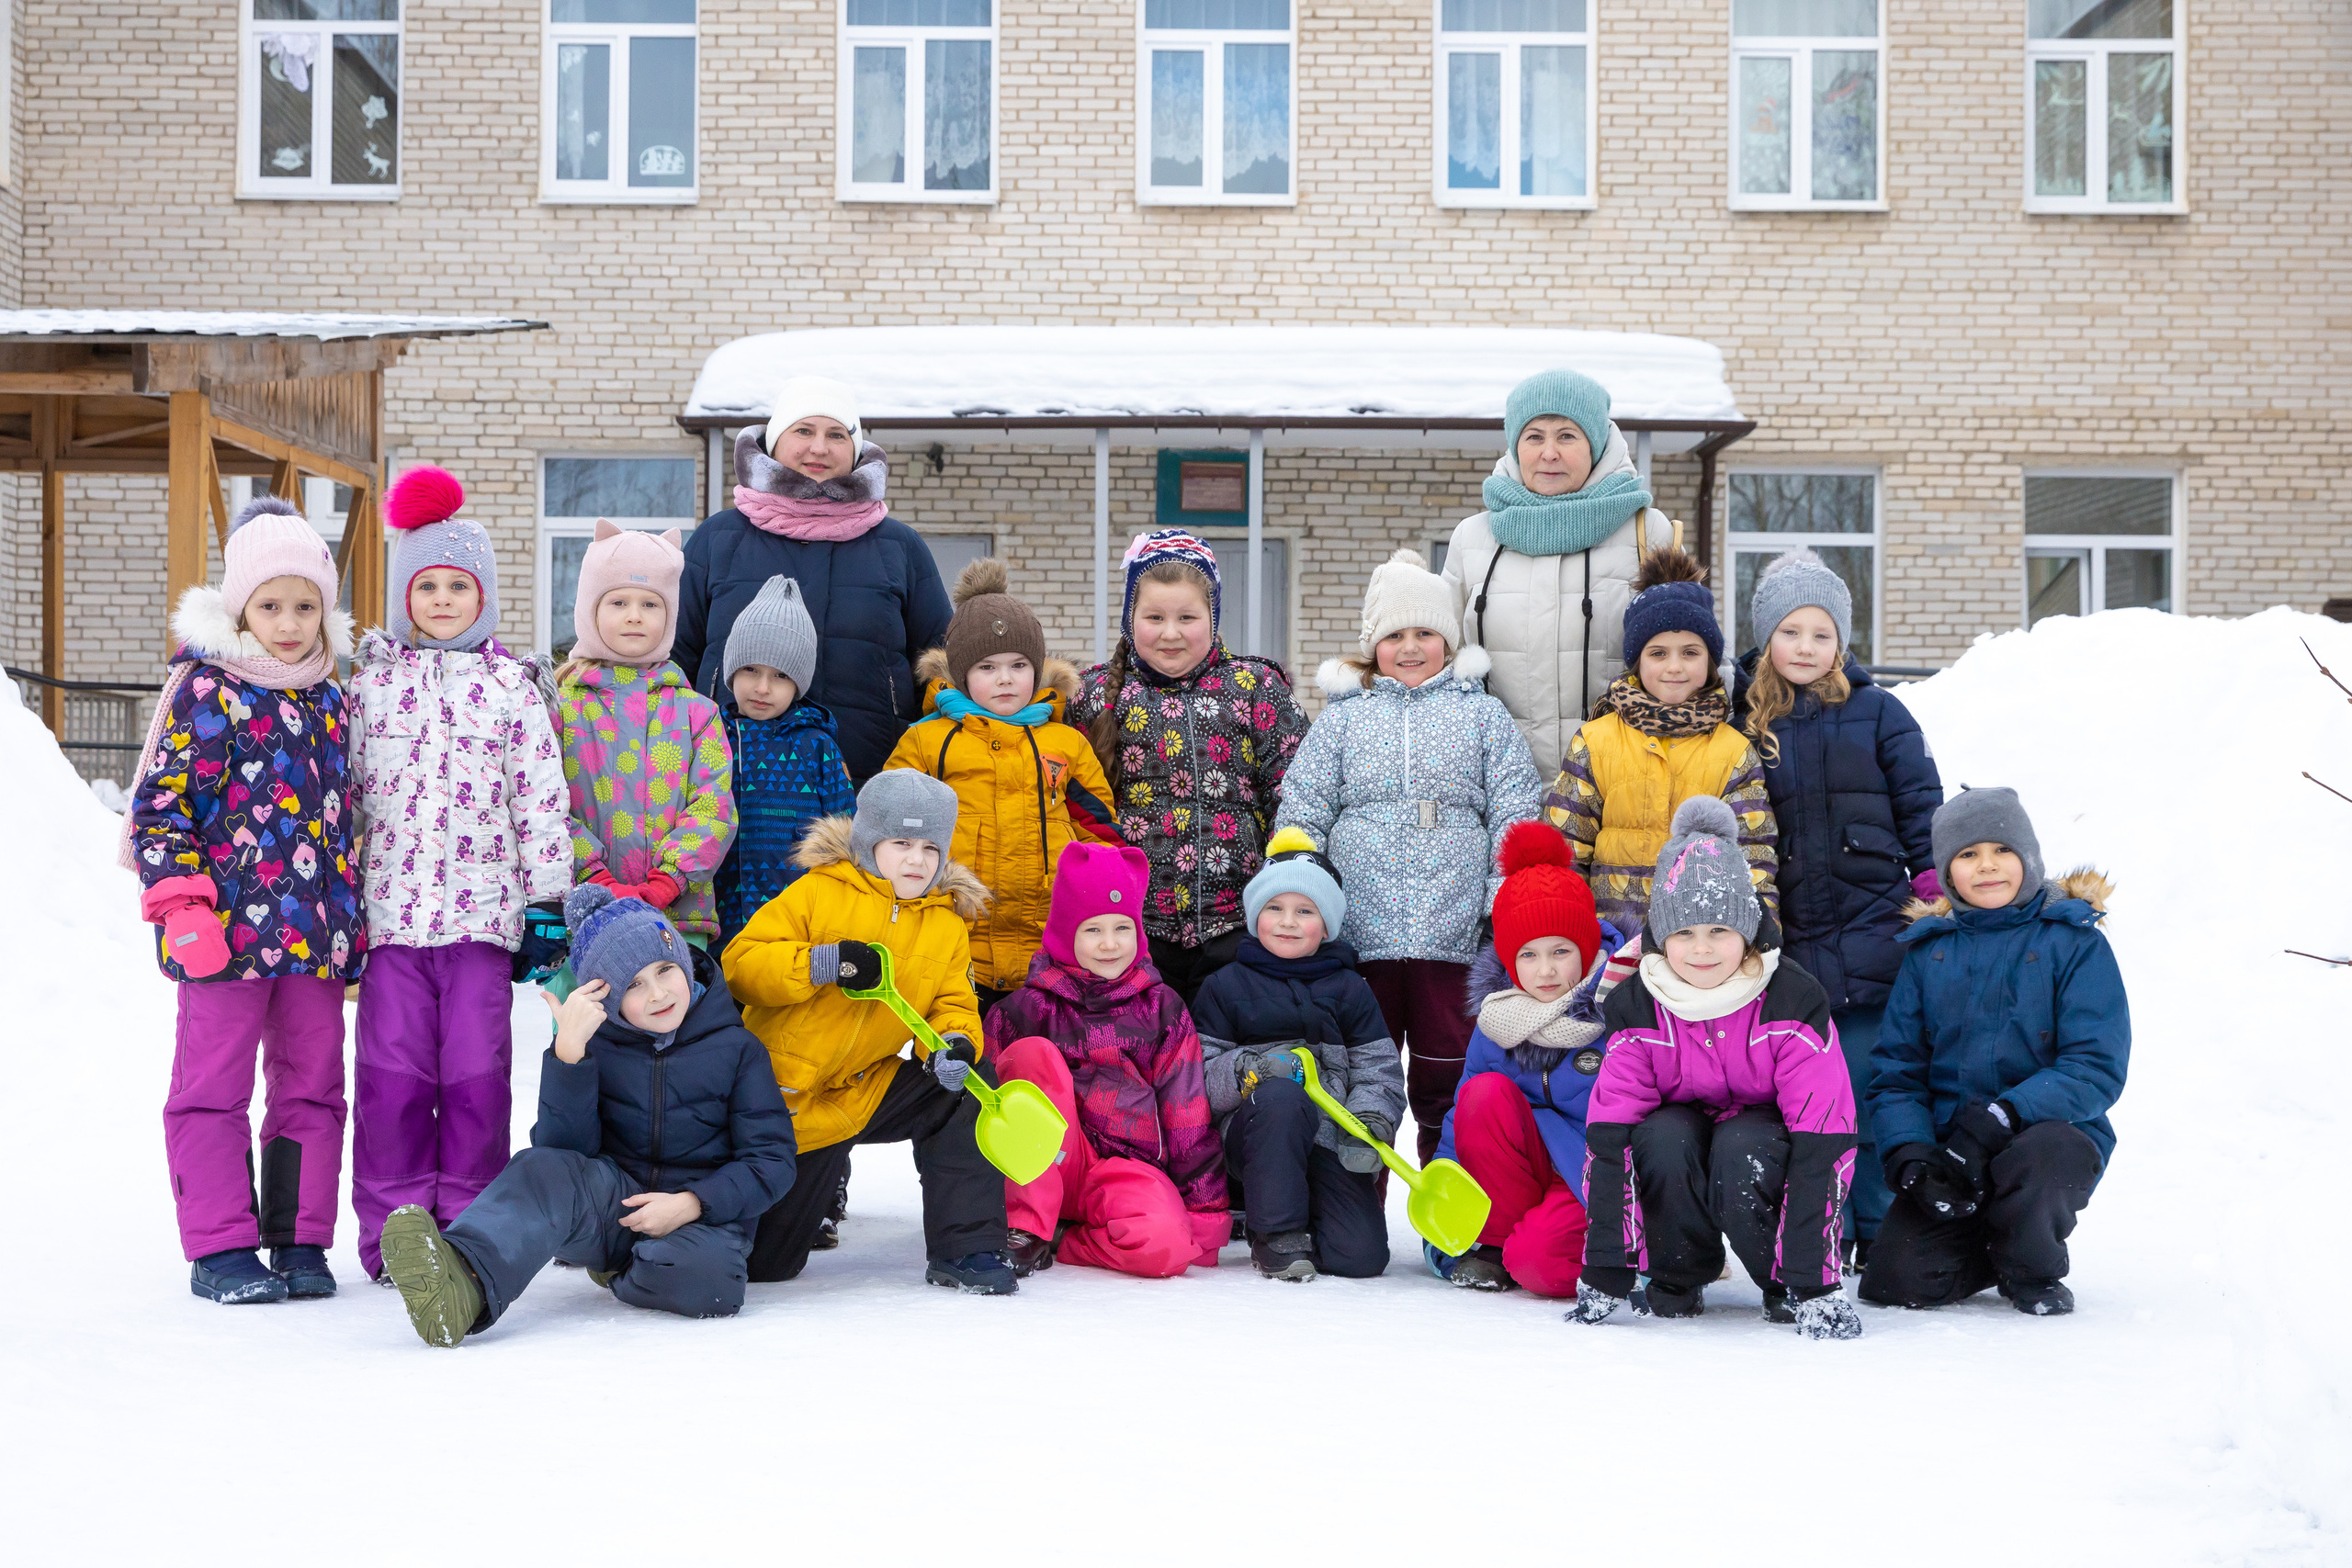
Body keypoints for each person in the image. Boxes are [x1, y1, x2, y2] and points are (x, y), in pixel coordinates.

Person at [121, 494, 365, 1303]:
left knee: (311, 1087)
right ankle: (220, 1247)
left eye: (305, 606)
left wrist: (351, 928)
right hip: (221, 937)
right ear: (240, 607)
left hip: (313, 943)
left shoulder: (333, 699)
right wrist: (181, 905)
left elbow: (349, 821)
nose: (289, 622)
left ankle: (297, 1239)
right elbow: (158, 806)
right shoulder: (204, 690)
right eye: (271, 605)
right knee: (211, 1086)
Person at [377, 885, 797, 1346]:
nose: (658, 993)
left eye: (664, 970)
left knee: (708, 1281)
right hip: (615, 1204)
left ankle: (625, 1270)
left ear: (683, 961)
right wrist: (569, 1056)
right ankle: (463, 1283)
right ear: (605, 996)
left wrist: (692, 1203)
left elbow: (771, 1162)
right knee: (539, 1168)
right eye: (633, 985)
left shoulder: (738, 1050)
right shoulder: (595, 1044)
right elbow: (563, 1157)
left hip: (701, 1219)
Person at [345, 465, 573, 1281]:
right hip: (395, 926)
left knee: (477, 1079)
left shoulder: (513, 690)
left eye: (459, 585)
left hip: (483, 924)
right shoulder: (371, 687)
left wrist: (548, 904)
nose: (442, 600)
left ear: (485, 599)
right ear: (405, 593)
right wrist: (341, 905)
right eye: (427, 585)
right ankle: (392, 1232)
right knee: (392, 1082)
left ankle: (470, 1231)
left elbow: (541, 804)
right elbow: (350, 805)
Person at [1275, 547, 1542, 1164]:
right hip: (1361, 932)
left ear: (1449, 639)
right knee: (1359, 1071)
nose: (1412, 646)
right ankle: (1352, 1198)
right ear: (1374, 645)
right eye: (1395, 634)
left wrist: (1500, 895)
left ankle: (1453, 1199)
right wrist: (1303, 884)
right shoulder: (1344, 719)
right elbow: (1306, 804)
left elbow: (1514, 806)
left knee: (1446, 1071)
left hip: (1452, 931)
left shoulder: (1482, 714)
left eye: (1426, 631)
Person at [1569, 796, 1861, 1340]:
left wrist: (1813, 1279)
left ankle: (1785, 1282)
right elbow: (1610, 1138)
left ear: (1748, 932)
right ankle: (1677, 1275)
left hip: (1763, 1133)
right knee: (1659, 1134)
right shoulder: (1636, 1005)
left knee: (1741, 1145)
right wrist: (1606, 1267)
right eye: (1683, 934)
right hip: (1681, 1125)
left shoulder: (1792, 999)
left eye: (1719, 932)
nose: (1701, 950)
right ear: (1660, 937)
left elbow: (1824, 1138)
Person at [722, 771, 1017, 1293]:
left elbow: (953, 1003)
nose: (916, 860)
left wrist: (956, 1044)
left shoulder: (945, 923)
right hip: (781, 1101)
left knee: (967, 1086)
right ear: (867, 840)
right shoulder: (817, 892)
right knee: (767, 1265)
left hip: (863, 1088)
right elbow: (741, 966)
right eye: (900, 842)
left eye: (930, 847)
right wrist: (821, 964)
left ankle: (968, 1248)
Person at [1733, 547, 1942, 1268]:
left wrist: (1932, 892)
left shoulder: (1881, 712)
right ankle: (1829, 1222)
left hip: (1878, 928)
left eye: (1822, 634)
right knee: (1815, 1097)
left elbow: (1922, 808)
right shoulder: (1744, 722)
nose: (1807, 648)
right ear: (1766, 637)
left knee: (1878, 1083)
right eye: (1791, 632)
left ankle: (1883, 1224)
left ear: (1842, 643)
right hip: (1794, 939)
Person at [1860, 788, 2127, 1317]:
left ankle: (2031, 1267)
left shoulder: (2073, 943)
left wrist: (2006, 1114)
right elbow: (1897, 1071)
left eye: (2001, 850)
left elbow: (2094, 1066)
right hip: (1951, 1146)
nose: (1987, 867)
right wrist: (1910, 1149)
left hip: (2041, 1136)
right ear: (1947, 870)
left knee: (2048, 1155)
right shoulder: (1928, 951)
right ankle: (1987, 1242)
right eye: (1967, 855)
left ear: (2028, 857)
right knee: (1896, 1283)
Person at [673, 375, 952, 784]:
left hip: (871, 779)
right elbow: (674, 661)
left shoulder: (898, 546)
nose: (819, 447)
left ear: (855, 450)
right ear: (774, 441)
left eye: (836, 434)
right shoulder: (718, 540)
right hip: (729, 783)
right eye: (803, 430)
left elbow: (941, 668)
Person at [1070, 529, 1309, 1004]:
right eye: (1154, 617)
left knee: (1223, 1062)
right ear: (1129, 619)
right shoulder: (1094, 695)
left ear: (1213, 617)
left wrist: (1286, 891)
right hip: (1128, 930)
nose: (1171, 633)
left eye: (1187, 617)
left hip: (1237, 926)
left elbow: (1296, 794)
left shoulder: (1254, 686)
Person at [884, 558, 1120, 1010]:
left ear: (1037, 669)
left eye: (1018, 665)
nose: (1006, 679)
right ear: (962, 673)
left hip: (1048, 943)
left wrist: (1102, 899)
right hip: (953, 940)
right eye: (988, 667)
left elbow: (1099, 830)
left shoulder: (1065, 743)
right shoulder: (929, 740)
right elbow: (889, 827)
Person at [985, 841, 1227, 1278]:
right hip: (1045, 1160)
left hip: (1124, 1171)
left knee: (1170, 1248)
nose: (1110, 944)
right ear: (1064, 932)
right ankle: (1028, 1224)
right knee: (1032, 1055)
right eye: (1093, 930)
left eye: (1123, 928)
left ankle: (1065, 1238)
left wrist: (1204, 1213)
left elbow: (1186, 1112)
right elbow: (982, 1108)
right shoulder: (1022, 1010)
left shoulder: (1162, 1008)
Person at [1427, 820, 1633, 1296]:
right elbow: (1464, 1121)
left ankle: (1610, 1252)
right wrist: (1449, 1219)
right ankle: (1492, 1246)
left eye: (1561, 951)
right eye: (1528, 954)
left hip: (1591, 1179)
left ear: (1585, 948)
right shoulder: (1497, 1018)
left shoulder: (1620, 1007)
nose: (1545, 971)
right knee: (1484, 1094)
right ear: (1507, 958)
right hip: (1524, 1172)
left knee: (1539, 1265)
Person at [1442, 367, 1681, 773]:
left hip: (1618, 783)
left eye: (1567, 436)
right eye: (1534, 436)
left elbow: (1690, 655)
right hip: (1497, 788)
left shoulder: (1647, 531)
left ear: (1597, 444)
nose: (1548, 452)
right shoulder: (1473, 538)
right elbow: (1440, 660)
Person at [1192, 828, 1405, 1281]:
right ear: (1255, 918)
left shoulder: (1350, 989)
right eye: (1275, 908)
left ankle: (1306, 1216)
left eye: (1304, 911)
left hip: (1329, 1134)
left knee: (1361, 1258)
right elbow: (1198, 1077)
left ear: (1326, 926)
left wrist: (1370, 1123)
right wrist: (1250, 1071)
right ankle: (1277, 1235)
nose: (1288, 921)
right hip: (1254, 1133)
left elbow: (1379, 1069)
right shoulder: (1224, 986)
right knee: (1283, 1096)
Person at [1544, 544, 1777, 938]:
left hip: (1700, 950)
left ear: (1709, 661)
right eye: (1658, 653)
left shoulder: (1733, 750)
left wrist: (1758, 940)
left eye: (1690, 652)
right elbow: (1564, 851)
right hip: (1610, 944)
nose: (1674, 667)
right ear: (1637, 661)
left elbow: (1754, 859)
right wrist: (1567, 937)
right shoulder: (1596, 740)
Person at [555, 519, 737, 951]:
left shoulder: (697, 713)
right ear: (589, 609)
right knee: (590, 1019)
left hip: (678, 918)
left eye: (651, 604)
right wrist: (594, 877)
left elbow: (715, 805)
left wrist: (668, 880)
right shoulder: (559, 710)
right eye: (618, 601)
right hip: (585, 918)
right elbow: (541, 805)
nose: (634, 615)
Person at [711, 573, 855, 953]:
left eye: (780, 676)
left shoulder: (818, 747)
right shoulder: (709, 737)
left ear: (799, 685)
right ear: (731, 671)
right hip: (716, 914)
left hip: (795, 919)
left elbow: (848, 837)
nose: (762, 688)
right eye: (750, 670)